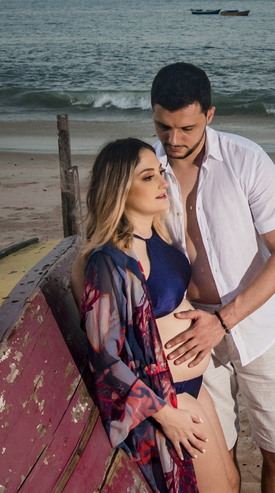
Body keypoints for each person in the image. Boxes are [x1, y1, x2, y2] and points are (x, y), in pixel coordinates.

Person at [150, 62, 275, 493]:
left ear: (210, 116)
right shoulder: (146, 171)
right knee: (217, 457)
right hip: (186, 331)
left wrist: (223, 320)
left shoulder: (247, 160)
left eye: (186, 128)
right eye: (163, 127)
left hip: (255, 324)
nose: (173, 140)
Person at [77, 138, 238, 493]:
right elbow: (104, 359)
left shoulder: (157, 234)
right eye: (148, 177)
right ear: (119, 189)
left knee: (230, 480)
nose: (164, 183)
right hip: (163, 400)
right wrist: (164, 414)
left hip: (193, 387)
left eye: (160, 173)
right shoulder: (108, 261)